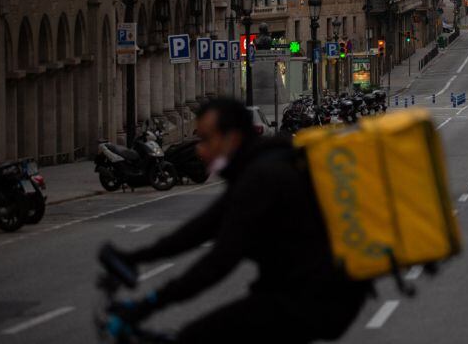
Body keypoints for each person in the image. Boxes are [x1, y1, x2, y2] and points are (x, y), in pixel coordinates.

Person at [106, 97, 371, 343]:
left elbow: (220, 261)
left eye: (207, 140)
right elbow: (201, 228)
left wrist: (150, 303)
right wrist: (136, 257)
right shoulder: (260, 163)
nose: (200, 150)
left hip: (316, 299)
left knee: (196, 335)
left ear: (231, 139)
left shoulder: (263, 177)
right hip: (315, 293)